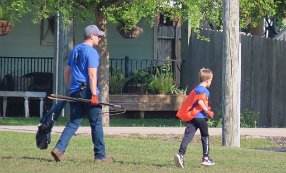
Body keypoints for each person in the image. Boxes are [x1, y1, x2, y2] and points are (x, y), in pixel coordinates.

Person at [50, 25, 113, 163]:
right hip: (88, 91)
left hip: (75, 91)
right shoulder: (91, 52)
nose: (100, 38)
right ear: (91, 36)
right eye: (98, 35)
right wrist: (94, 95)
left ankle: (59, 149)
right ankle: (100, 156)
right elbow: (91, 74)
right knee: (96, 123)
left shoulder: (75, 50)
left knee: (73, 122)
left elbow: (67, 71)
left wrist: (70, 88)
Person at [174, 67, 215, 168]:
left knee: (187, 136)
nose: (211, 83)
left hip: (192, 117)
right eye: (211, 81)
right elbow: (200, 101)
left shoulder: (195, 89)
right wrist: (207, 110)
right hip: (200, 117)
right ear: (207, 80)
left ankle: (180, 155)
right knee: (205, 136)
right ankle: (206, 158)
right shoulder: (204, 90)